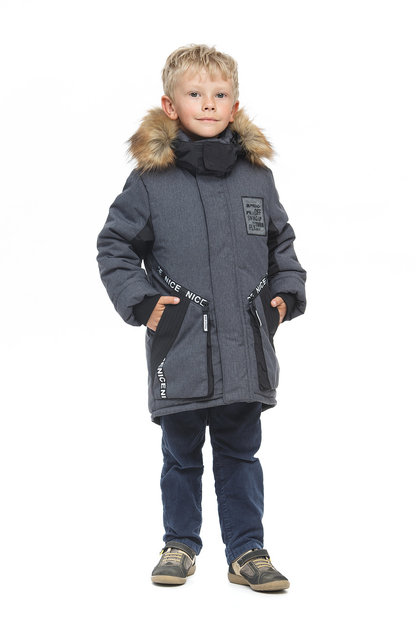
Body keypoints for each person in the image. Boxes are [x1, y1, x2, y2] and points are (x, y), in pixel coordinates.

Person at [96, 44, 307, 592]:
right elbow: (115, 245)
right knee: (181, 456)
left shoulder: (256, 178)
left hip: (246, 347)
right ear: (170, 105)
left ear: (235, 105)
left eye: (219, 94)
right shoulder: (151, 181)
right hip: (182, 346)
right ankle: (180, 544)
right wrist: (143, 303)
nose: (208, 104)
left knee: (241, 453)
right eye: (195, 94)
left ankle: (247, 550)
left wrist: (284, 294)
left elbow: (281, 244)